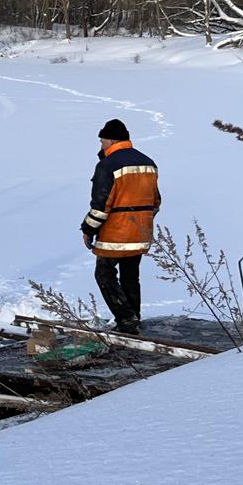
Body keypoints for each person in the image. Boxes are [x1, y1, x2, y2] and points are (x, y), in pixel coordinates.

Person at [80, 117, 160, 333]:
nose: (101, 145)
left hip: (116, 233)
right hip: (141, 231)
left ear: (112, 140)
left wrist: (88, 229)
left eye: (102, 141)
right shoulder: (148, 163)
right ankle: (133, 316)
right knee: (130, 274)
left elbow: (100, 206)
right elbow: (156, 201)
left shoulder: (107, 165)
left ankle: (126, 318)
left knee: (104, 274)